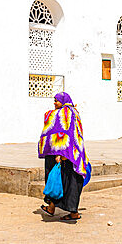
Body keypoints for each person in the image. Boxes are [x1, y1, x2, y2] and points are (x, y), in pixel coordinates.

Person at [37, 92, 90, 222]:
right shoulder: (72, 112)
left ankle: (72, 213)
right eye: (54, 100)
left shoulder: (66, 113)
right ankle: (52, 207)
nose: (54, 103)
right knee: (59, 180)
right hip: (70, 154)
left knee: (67, 181)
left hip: (66, 155)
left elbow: (67, 133)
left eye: (56, 100)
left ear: (64, 101)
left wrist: (61, 153)